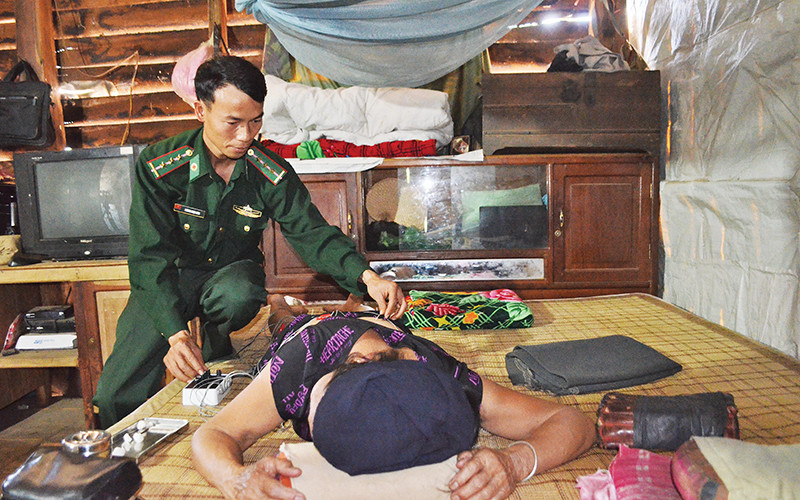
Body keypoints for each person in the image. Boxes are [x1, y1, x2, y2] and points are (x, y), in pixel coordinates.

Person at [93, 56, 406, 429]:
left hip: (230, 276)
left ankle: (216, 339)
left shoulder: (268, 172)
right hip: (168, 280)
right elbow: (149, 259)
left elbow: (313, 233)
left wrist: (368, 277)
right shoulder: (161, 166)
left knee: (240, 292)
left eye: (255, 121)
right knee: (116, 394)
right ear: (200, 110)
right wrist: (175, 336)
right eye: (233, 122)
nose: (246, 136)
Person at [192, 295, 595, 500]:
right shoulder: (298, 364)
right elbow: (212, 435)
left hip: (379, 335)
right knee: (284, 318)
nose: (304, 425)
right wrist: (235, 479)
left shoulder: (444, 381)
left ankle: (353, 304)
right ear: (348, 362)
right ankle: (284, 302)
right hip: (305, 329)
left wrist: (514, 462)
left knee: (359, 308)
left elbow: (574, 422)